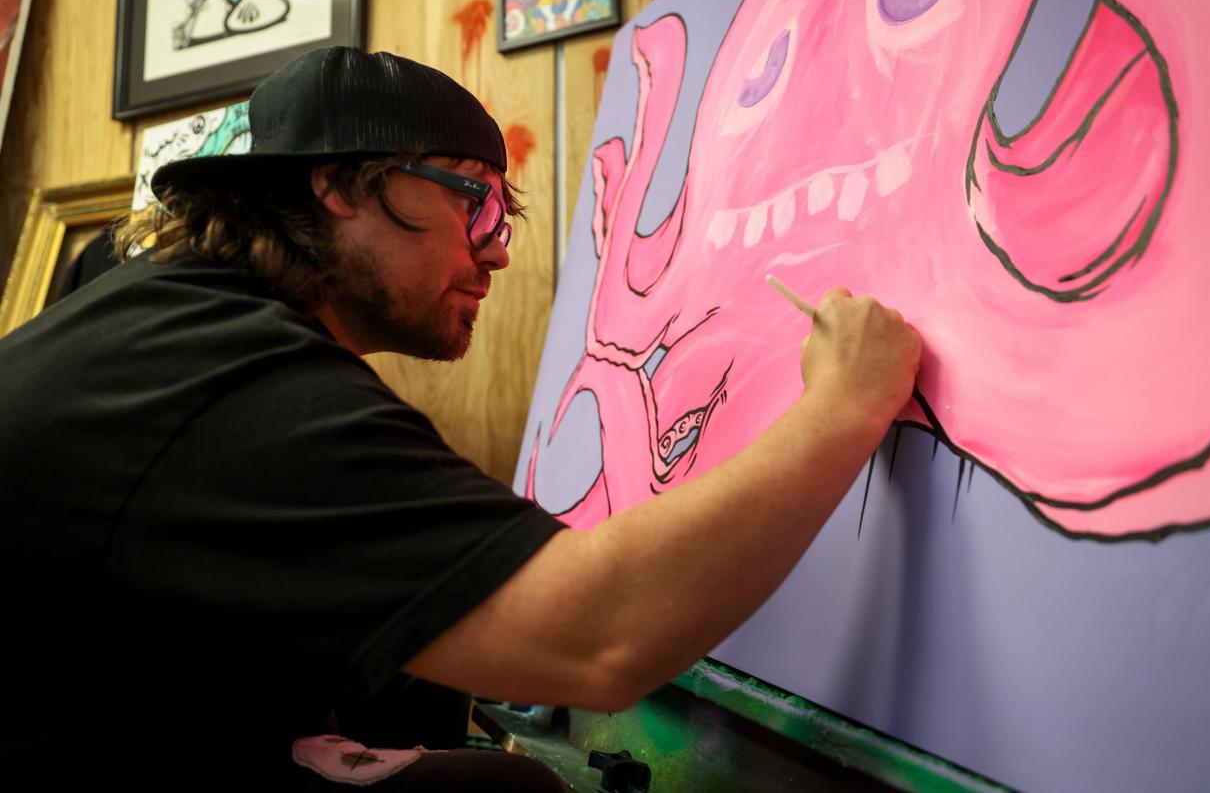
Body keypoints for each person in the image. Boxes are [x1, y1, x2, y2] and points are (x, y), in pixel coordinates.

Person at [0, 46, 920, 789]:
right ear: (340, 186)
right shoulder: (228, 383)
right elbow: (604, 636)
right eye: (473, 200)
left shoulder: (176, 320)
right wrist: (846, 403)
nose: (497, 254)